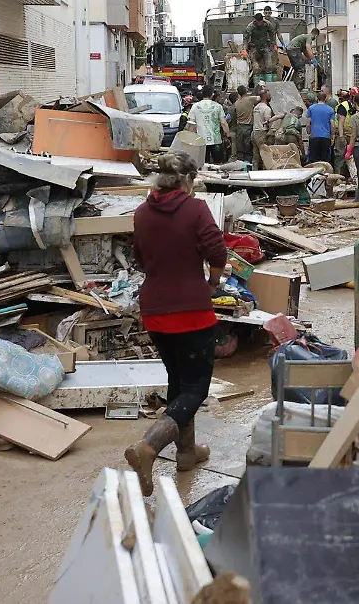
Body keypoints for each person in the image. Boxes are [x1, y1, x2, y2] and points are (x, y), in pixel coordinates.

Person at [126, 151, 226, 496]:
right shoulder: (195, 208)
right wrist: (212, 282)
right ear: (187, 180)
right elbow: (217, 250)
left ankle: (186, 452)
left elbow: (138, 257)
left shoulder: (141, 212)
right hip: (191, 310)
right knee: (196, 388)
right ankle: (149, 447)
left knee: (178, 380)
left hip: (155, 309)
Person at [188, 85, 229, 165]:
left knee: (202, 164)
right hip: (216, 140)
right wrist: (227, 134)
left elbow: (191, 124)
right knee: (218, 164)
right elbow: (223, 123)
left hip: (200, 141)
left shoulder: (195, 106)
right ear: (212, 95)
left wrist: (191, 137)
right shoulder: (218, 106)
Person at [251, 86, 283, 169]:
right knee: (266, 156)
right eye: (269, 95)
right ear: (265, 96)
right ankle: (266, 173)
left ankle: (254, 172)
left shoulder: (256, 107)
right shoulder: (266, 108)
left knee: (256, 157)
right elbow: (268, 122)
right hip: (262, 133)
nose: (270, 97)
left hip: (254, 133)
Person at [243, 13, 279, 79]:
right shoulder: (250, 27)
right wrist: (244, 50)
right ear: (255, 21)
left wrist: (274, 45)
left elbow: (272, 34)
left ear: (262, 20)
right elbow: (245, 39)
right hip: (254, 47)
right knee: (256, 68)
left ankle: (269, 85)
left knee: (269, 66)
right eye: (258, 22)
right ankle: (257, 85)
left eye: (261, 22)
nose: (259, 23)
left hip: (265, 46)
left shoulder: (267, 24)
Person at [306, 88, 335, 165]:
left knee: (314, 160)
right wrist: (332, 135)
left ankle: (315, 176)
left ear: (317, 98)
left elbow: (308, 124)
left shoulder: (311, 108)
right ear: (325, 98)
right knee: (325, 161)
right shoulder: (330, 110)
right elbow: (332, 124)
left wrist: (309, 133)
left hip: (314, 136)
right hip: (326, 137)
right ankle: (325, 175)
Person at [232, 86, 258, 161]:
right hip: (248, 128)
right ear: (246, 91)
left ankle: (240, 165)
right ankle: (247, 167)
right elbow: (261, 97)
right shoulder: (250, 99)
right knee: (248, 149)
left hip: (239, 128)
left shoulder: (236, 103)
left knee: (240, 149)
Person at [332, 88, 352, 177]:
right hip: (352, 135)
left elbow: (340, 121)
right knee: (349, 158)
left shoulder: (342, 106)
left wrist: (340, 136)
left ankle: (338, 178)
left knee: (339, 158)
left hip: (343, 134)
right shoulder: (352, 106)